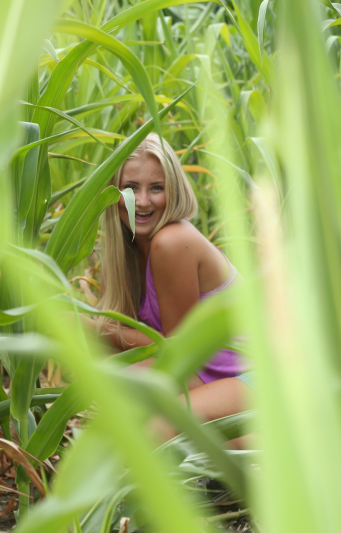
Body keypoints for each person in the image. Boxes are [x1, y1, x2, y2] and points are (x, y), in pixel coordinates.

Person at [84, 133, 254, 446]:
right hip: (208, 376)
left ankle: (290, 447)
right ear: (113, 193)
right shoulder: (124, 256)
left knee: (156, 431)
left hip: (252, 376)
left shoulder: (172, 242)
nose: (144, 201)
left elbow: (178, 356)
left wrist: (96, 329)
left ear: (173, 191)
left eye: (157, 188)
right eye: (131, 188)